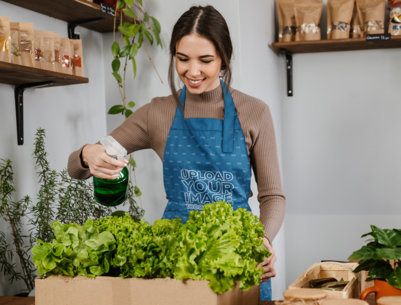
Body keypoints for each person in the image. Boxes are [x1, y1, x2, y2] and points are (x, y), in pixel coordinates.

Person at [67, 5, 285, 301]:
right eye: (182, 59)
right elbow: (75, 168)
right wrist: (87, 154)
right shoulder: (158, 113)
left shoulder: (255, 112)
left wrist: (264, 239)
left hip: (239, 255)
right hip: (175, 260)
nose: (192, 72)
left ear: (224, 58)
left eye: (205, 60)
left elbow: (272, 196)